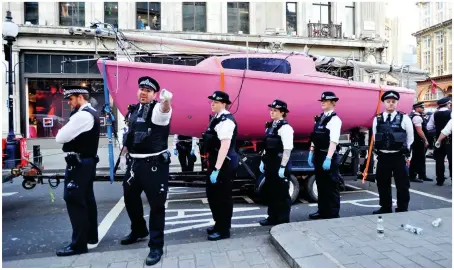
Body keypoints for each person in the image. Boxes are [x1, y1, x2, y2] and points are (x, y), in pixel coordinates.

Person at [118, 76, 173, 266]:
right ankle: (139, 230)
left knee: (157, 206)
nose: (144, 92)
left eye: (148, 91)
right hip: (134, 164)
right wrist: (125, 150)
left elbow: (164, 112)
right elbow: (130, 133)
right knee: (130, 199)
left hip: (154, 165)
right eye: (141, 89)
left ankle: (156, 246)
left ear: (154, 94)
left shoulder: (158, 108)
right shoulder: (133, 110)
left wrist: (166, 100)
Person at [55, 85, 100, 256]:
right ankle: (91, 236)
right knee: (87, 200)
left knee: (74, 200)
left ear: (81, 97)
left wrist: (65, 129)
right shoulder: (91, 112)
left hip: (79, 164)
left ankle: (78, 244)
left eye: (71, 99)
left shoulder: (82, 115)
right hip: (86, 162)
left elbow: (61, 137)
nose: (69, 103)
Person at [202, 90, 238, 241]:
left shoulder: (226, 121)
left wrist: (216, 169)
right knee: (213, 196)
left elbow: (224, 146)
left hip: (223, 165)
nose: (212, 104)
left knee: (222, 198)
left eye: (216, 102)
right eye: (212, 101)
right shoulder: (216, 118)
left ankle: (224, 230)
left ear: (224, 104)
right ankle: (218, 224)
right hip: (215, 162)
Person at [372, 90, 414, 214]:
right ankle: (385, 207)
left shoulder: (404, 118)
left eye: (393, 102)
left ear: (397, 103)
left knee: (402, 184)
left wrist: (407, 156)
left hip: (398, 157)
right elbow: (375, 137)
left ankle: (402, 207)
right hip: (383, 157)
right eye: (388, 101)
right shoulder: (377, 119)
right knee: (382, 183)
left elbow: (410, 138)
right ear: (384, 103)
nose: (391, 104)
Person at [258, 99, 294, 226]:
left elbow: (287, 149)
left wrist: (283, 166)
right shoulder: (271, 126)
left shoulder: (286, 128)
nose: (272, 112)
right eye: (271, 110)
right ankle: (272, 217)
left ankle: (283, 220)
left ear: (282, 112)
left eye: (275, 110)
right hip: (270, 163)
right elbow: (266, 146)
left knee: (282, 194)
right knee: (271, 192)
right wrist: (263, 161)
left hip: (280, 163)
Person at [308, 91, 342, 219]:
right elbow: (314, 136)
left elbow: (333, 140)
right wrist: (311, 152)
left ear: (333, 103)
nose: (322, 102)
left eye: (326, 101)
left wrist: (328, 158)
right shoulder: (320, 118)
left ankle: (333, 213)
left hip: (329, 156)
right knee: (321, 185)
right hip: (318, 154)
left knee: (331, 186)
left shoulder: (335, 120)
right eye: (322, 101)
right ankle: (322, 211)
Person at [427, 97, 452, 186]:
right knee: (451, 160)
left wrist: (437, 130)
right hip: (450, 140)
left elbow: (429, 127)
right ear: (448, 104)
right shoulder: (451, 113)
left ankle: (440, 180)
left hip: (438, 139)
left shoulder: (434, 114)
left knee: (439, 160)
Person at [409, 102, 432, 183]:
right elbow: (419, 130)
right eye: (421, 107)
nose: (423, 109)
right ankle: (413, 175)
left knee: (421, 158)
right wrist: (425, 139)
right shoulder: (417, 117)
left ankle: (422, 175)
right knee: (417, 158)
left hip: (417, 140)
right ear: (416, 108)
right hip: (418, 140)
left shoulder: (415, 116)